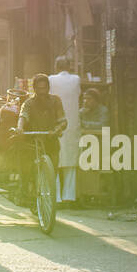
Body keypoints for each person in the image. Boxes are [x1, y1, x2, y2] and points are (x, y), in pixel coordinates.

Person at [15, 74, 67, 205]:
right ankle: (25, 190)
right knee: (27, 169)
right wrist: (20, 128)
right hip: (33, 143)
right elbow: (23, 116)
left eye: (44, 88)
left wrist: (56, 130)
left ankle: (48, 198)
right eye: (39, 89)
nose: (42, 92)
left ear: (49, 88)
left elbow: (63, 121)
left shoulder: (56, 101)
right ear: (34, 89)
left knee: (52, 173)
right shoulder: (28, 103)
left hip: (51, 141)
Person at [48, 55, 82, 205]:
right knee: (70, 161)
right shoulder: (76, 79)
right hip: (72, 124)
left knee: (54, 160)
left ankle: (55, 197)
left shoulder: (51, 79)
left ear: (56, 67)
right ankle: (69, 196)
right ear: (69, 67)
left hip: (55, 123)